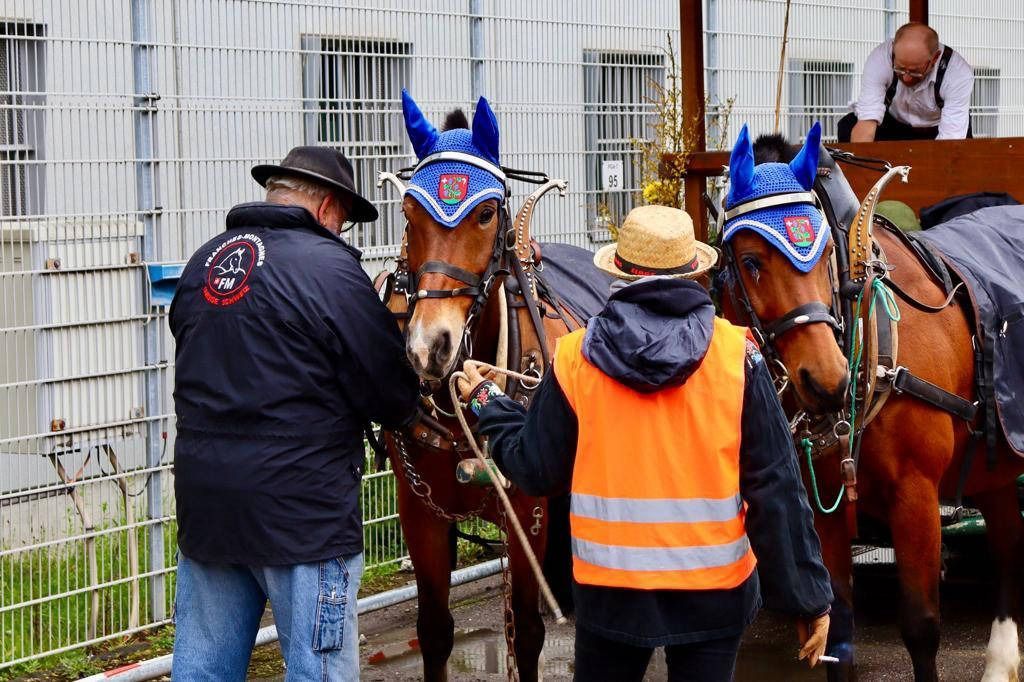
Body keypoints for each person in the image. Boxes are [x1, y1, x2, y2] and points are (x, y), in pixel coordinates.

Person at [458, 205, 834, 681]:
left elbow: (536, 469)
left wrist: (488, 402)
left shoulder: (575, 358)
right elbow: (775, 488)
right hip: (714, 595)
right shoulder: (737, 357)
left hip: (610, 596)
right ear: (695, 273)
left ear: (618, 272)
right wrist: (808, 599)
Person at [169, 146, 419, 680]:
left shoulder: (204, 263)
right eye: (344, 222)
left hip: (207, 507)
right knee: (317, 672)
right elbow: (390, 391)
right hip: (303, 516)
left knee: (203, 672)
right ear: (327, 207)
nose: (341, 233)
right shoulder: (330, 268)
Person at [838, 22, 974, 142]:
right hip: (894, 125)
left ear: (935, 58)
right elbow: (867, 120)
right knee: (848, 125)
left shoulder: (957, 73)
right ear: (893, 50)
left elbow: (951, 139)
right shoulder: (880, 59)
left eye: (915, 71)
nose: (907, 78)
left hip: (937, 127)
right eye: (900, 69)